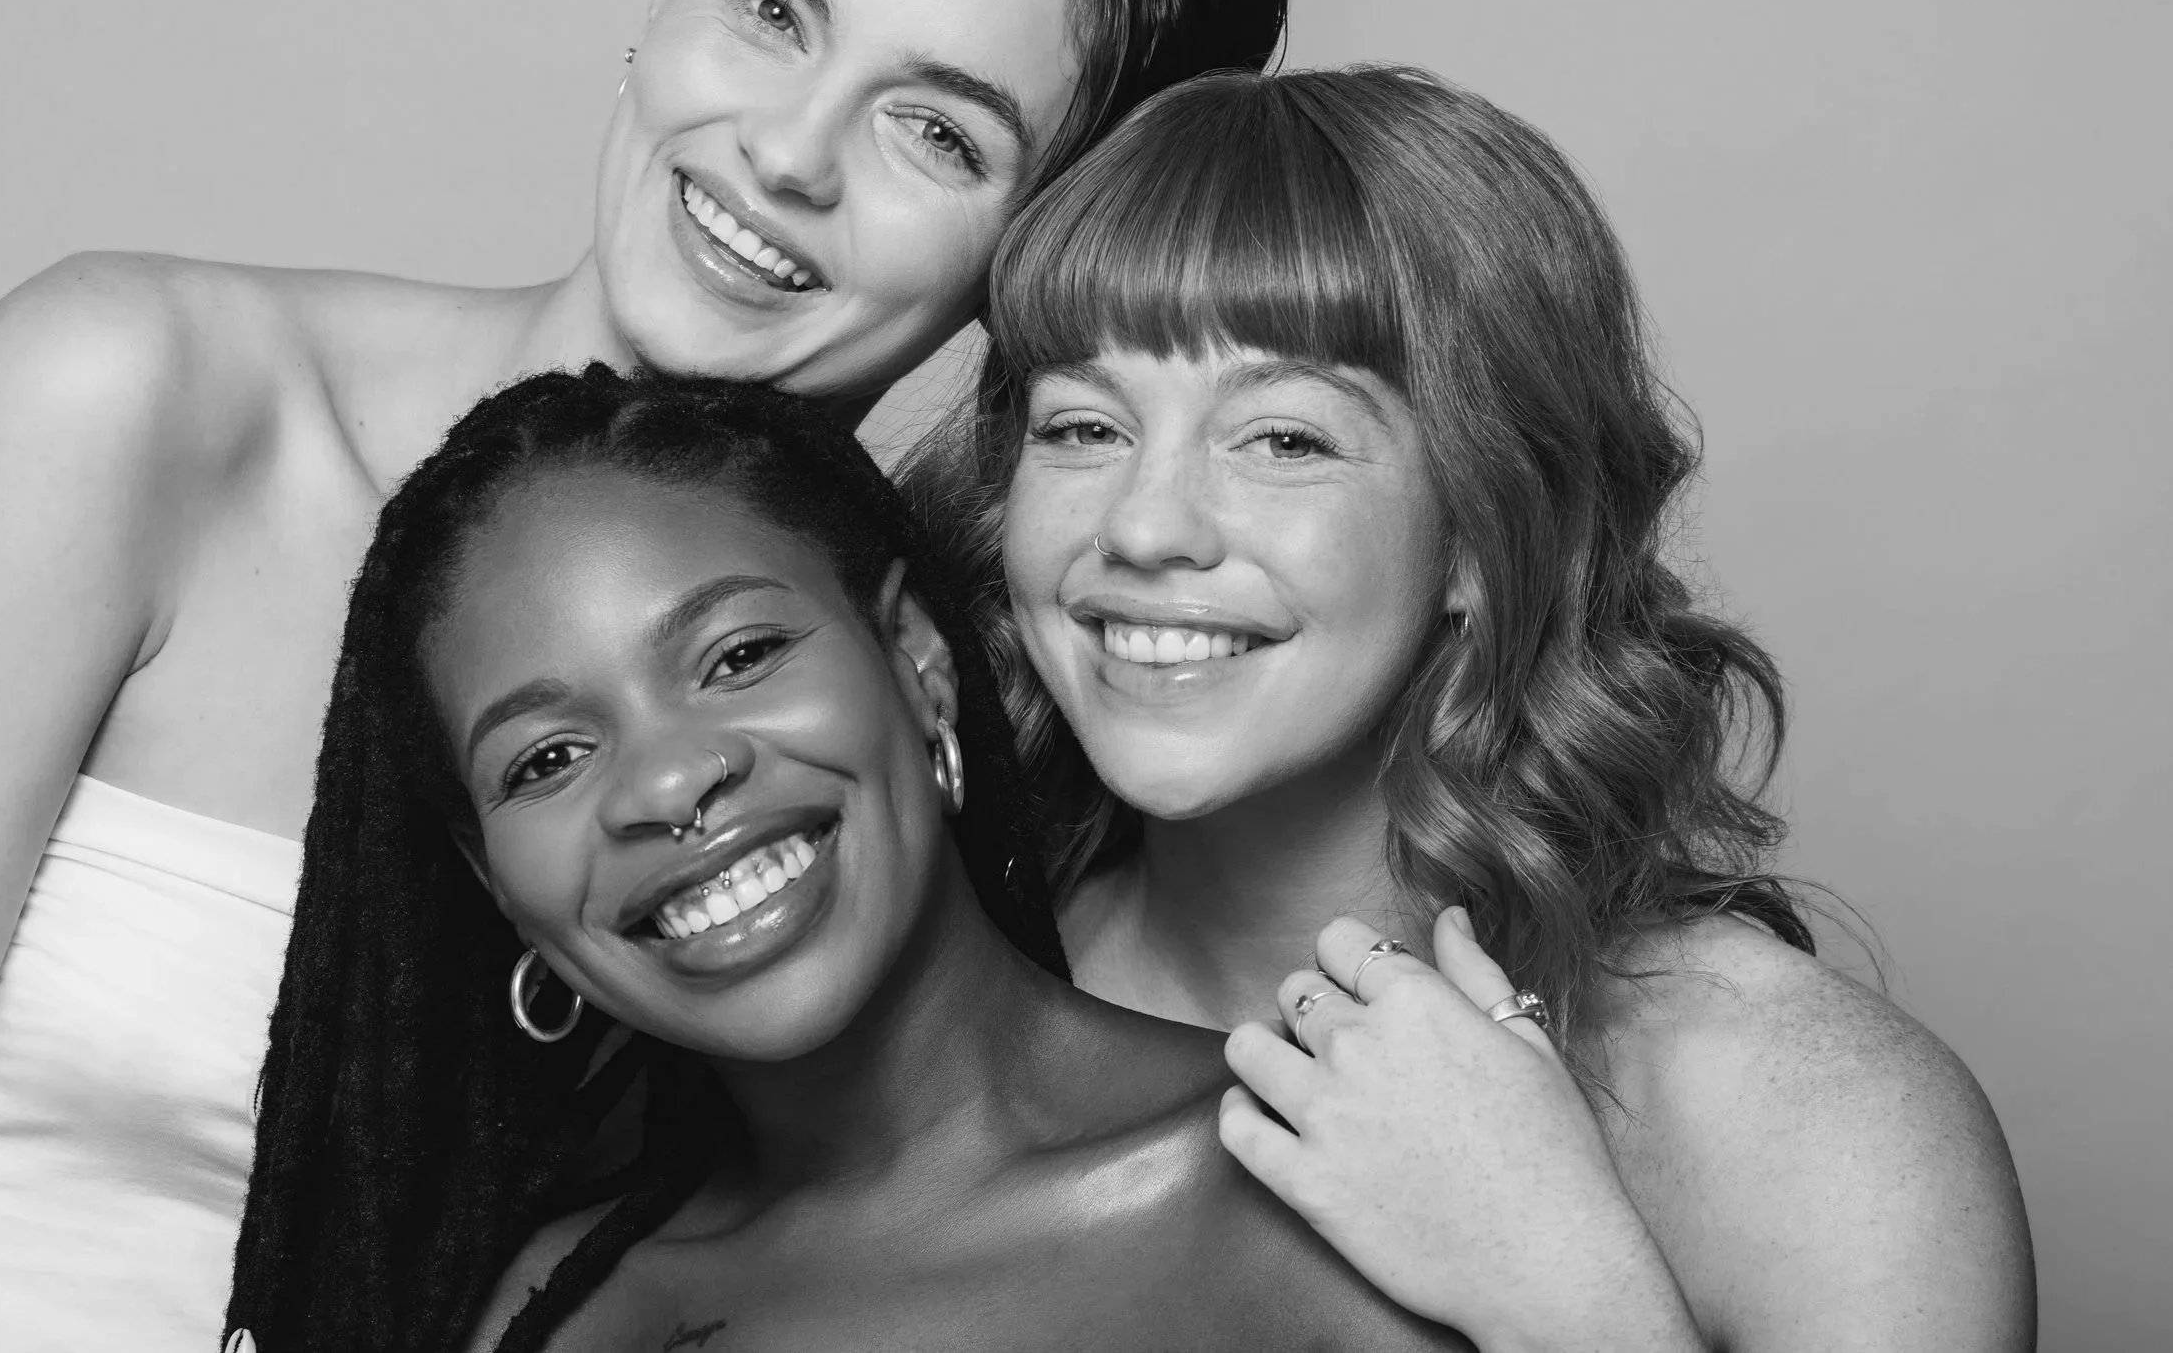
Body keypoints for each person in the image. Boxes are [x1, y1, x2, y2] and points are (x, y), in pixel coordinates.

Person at [0, 0, 1288, 1353]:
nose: (787, 153)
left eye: (935, 129)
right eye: (766, 6)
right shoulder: (141, 400)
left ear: (1046, 244)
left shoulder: (923, 722)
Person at [902, 66, 2037, 1350]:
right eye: (1083, 428)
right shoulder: (937, 1005)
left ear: (1482, 538)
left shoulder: (1799, 1116)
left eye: (1283, 440)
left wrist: (1566, 1293)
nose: (1145, 526)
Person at [226, 362, 1468, 1353]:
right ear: (495, 879)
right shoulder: (549, 1309)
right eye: (545, 760)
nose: (669, 781)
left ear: (917, 664)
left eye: (739, 657)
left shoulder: (1319, 1186)